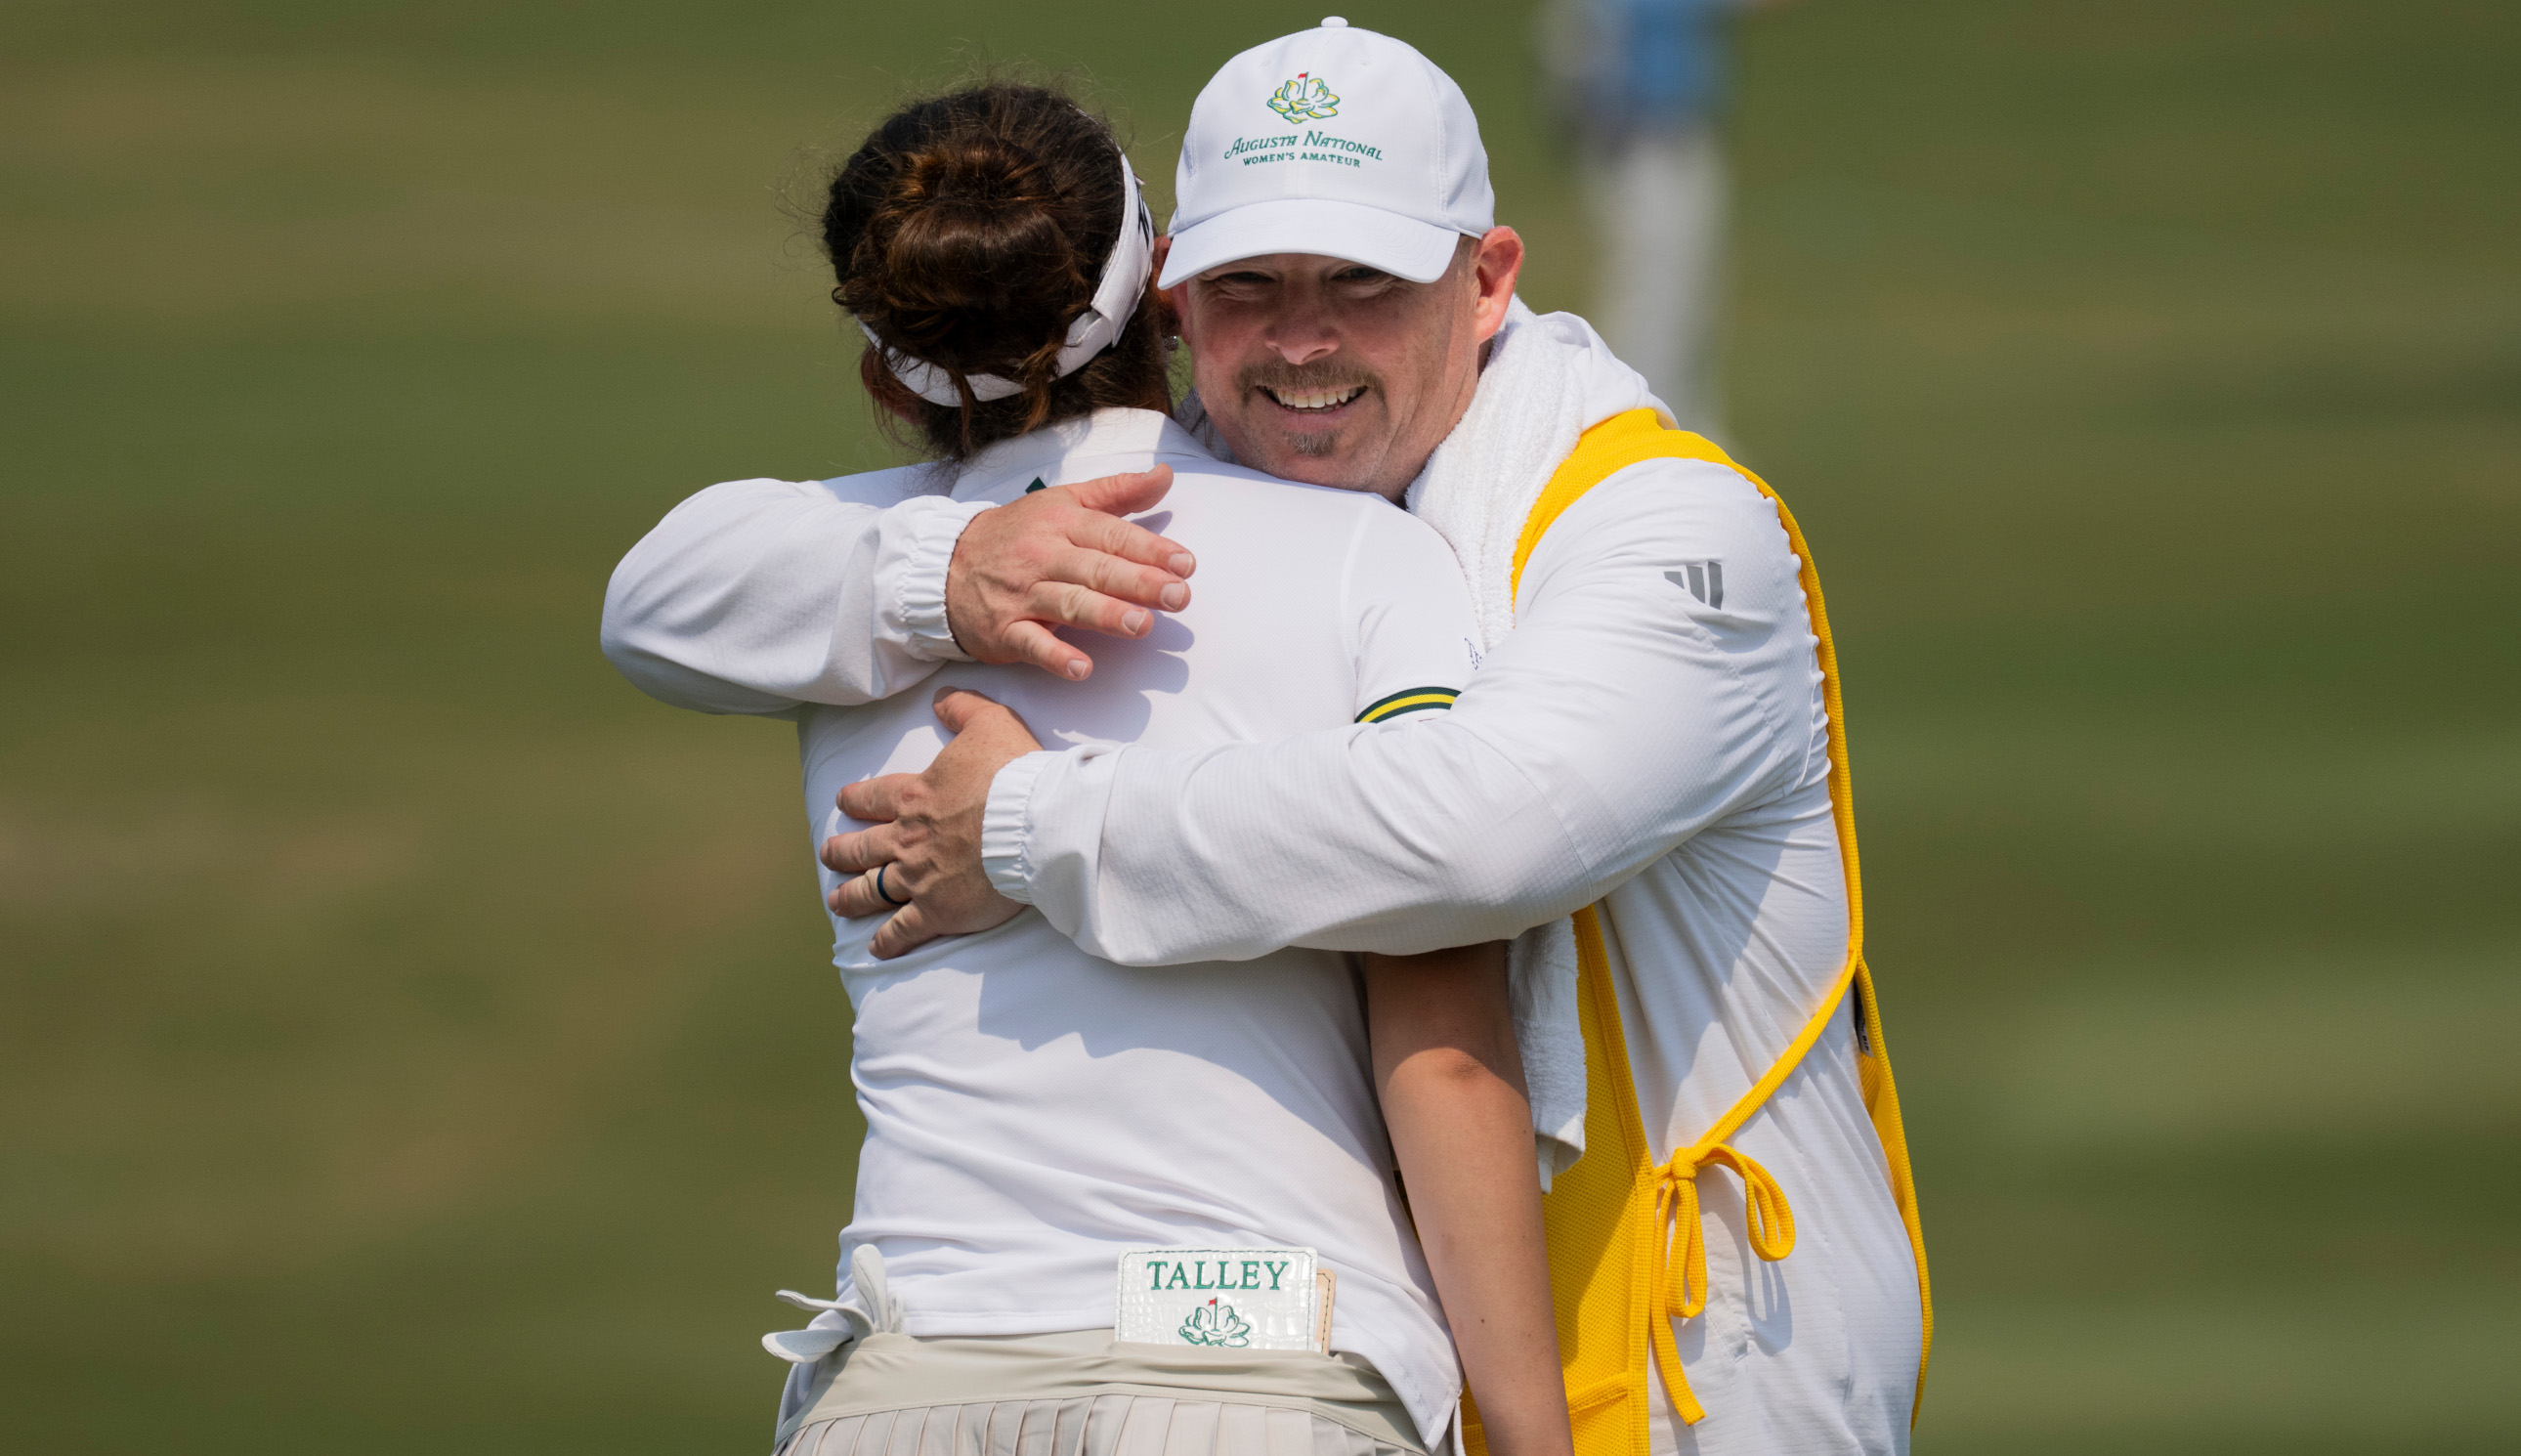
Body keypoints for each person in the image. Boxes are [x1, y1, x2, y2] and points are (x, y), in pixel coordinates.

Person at [606, 20, 1931, 1456]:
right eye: (1253, 286)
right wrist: (946, 570)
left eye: (1364, 282)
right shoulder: (1273, 553)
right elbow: (658, 592)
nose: (1305, 339)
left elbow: (1472, 836)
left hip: (1710, 1385)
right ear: (1170, 298)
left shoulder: (1671, 521)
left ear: (1488, 281)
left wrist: (1026, 821)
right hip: (1317, 1373)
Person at [603, 83, 1572, 1456]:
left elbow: (648, 597)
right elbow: (1445, 1050)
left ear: (886, 374)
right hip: (1262, 1372)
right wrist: (1533, 1434)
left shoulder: (822, 586)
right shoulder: (1373, 556)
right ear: (1165, 290)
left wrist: (942, 572)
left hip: (907, 1381)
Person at [1537, 0, 1771, 437]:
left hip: (1673, 135)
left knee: (1686, 293)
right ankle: (1632, 425)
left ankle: (1681, 427)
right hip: (1638, 143)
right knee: (1651, 296)